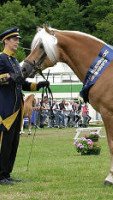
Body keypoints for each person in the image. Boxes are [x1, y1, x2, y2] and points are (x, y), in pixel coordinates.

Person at [0, 27, 49, 185]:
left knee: (13, 143)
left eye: (18, 39)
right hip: (5, 108)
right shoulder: (1, 58)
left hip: (18, 108)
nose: (17, 42)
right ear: (6, 41)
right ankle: (0, 176)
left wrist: (38, 85)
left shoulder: (14, 61)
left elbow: (22, 83)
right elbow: (4, 78)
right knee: (4, 143)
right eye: (14, 39)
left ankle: (7, 173)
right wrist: (13, 77)